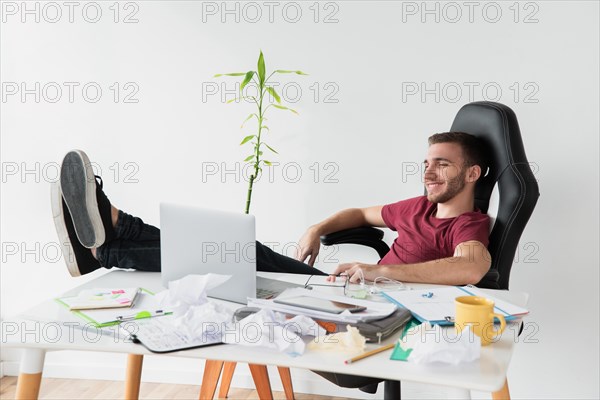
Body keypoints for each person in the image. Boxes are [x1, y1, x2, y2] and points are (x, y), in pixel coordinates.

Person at [52, 131, 491, 286]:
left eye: (443, 165)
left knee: (241, 257)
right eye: (427, 163)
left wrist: (382, 271)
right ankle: (117, 228)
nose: (429, 174)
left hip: (378, 307)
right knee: (237, 248)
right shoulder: (418, 207)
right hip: (348, 291)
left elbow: (470, 269)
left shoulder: (468, 225)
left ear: (471, 175)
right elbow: (359, 213)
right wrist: (317, 229)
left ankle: (105, 251)